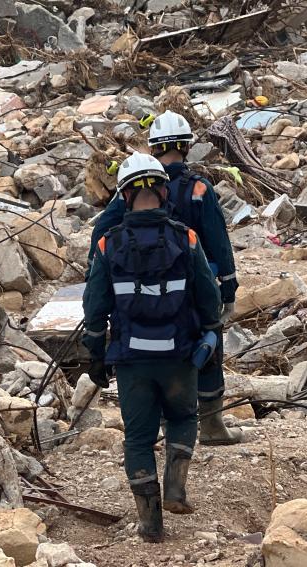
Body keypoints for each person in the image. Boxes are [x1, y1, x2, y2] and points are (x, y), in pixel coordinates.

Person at [82, 152, 222, 543]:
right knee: (183, 417)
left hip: (132, 361)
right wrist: (211, 334)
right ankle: (175, 487)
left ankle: (150, 523)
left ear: (124, 196)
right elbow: (209, 298)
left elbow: (94, 307)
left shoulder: (108, 244)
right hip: (179, 356)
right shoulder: (186, 238)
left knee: (138, 438)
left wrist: (94, 354)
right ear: (163, 191)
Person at [87, 110, 241, 445]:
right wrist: (228, 288)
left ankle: (154, 424)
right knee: (207, 345)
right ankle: (211, 426)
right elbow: (219, 242)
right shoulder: (198, 188)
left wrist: (98, 275)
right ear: (187, 146)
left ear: (154, 147)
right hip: (194, 288)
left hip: (141, 289)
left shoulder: (134, 187)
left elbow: (101, 232)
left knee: (147, 342)